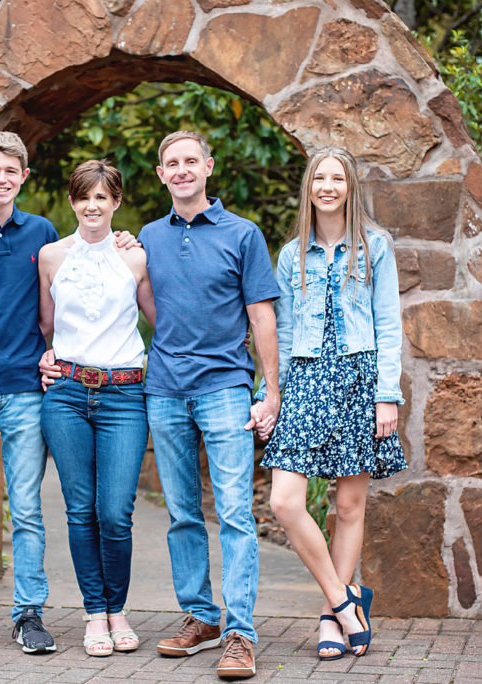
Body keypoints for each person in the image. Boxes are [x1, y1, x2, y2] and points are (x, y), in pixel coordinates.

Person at [0, 133, 139, 657]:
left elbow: (58, 309)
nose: (1, 179)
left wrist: (124, 243)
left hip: (26, 389)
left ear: (23, 177)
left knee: (27, 511)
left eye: (11, 172)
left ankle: (28, 614)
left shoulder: (42, 237)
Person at [140, 130, 281, 680]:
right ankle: (199, 618)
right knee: (181, 514)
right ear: (161, 174)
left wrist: (270, 392)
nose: (181, 170)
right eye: (171, 163)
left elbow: (262, 316)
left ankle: (240, 633)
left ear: (208, 167)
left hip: (226, 387)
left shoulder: (243, 235)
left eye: (190, 161)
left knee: (235, 514)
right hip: (165, 388)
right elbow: (145, 299)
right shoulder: (148, 237)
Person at [259, 147, 407, 661]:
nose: (327, 185)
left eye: (336, 177)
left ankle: (329, 618)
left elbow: (388, 322)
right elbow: (277, 329)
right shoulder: (289, 254)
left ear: (350, 187)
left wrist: (388, 395)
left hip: (359, 378)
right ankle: (347, 603)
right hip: (304, 379)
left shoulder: (376, 246)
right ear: (309, 186)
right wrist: (270, 393)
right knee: (285, 500)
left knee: (347, 506)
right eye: (318, 177)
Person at [37, 159, 156, 657]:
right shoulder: (50, 256)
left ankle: (118, 609)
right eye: (84, 196)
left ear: (117, 203)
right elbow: (43, 323)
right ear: (72, 201)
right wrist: (43, 356)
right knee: (80, 510)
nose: (92, 205)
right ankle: (94, 615)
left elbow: (162, 321)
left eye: (102, 197)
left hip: (124, 395)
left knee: (115, 512)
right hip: (65, 394)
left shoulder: (135, 258)